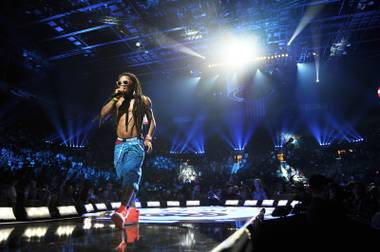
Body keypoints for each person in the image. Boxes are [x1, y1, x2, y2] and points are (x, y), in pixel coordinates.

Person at [100, 72, 156, 229]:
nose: (122, 85)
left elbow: (152, 121)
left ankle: (121, 211)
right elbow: (102, 115)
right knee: (123, 177)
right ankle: (132, 208)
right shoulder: (117, 101)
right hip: (119, 144)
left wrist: (148, 138)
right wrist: (114, 98)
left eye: (125, 82)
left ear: (133, 84)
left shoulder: (143, 100)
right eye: (119, 83)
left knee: (131, 174)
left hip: (135, 144)